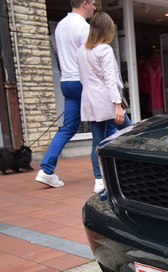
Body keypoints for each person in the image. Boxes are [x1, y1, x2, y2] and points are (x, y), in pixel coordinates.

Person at [36, 0, 96, 188]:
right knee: (105, 126)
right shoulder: (84, 28)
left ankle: (46, 169)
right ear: (84, 3)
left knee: (68, 128)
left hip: (67, 82)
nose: (94, 7)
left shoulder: (61, 25)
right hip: (82, 81)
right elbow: (90, 60)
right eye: (93, 3)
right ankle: (101, 179)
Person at [77, 11, 132, 193]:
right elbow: (109, 79)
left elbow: (83, 78)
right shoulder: (104, 50)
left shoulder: (81, 50)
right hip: (106, 101)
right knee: (130, 133)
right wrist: (117, 105)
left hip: (90, 101)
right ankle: (129, 171)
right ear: (107, 30)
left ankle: (99, 179)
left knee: (97, 141)